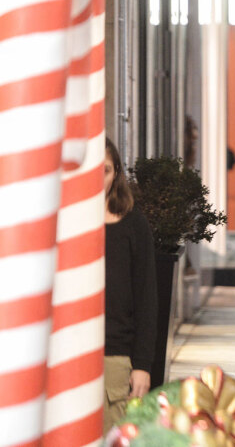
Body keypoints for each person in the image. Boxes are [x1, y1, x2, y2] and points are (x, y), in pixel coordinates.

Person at [103, 138, 157, 434]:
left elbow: (147, 298)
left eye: (106, 170)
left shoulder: (133, 224)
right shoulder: (62, 222)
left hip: (115, 357)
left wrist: (143, 365)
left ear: (116, 174)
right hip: (65, 356)